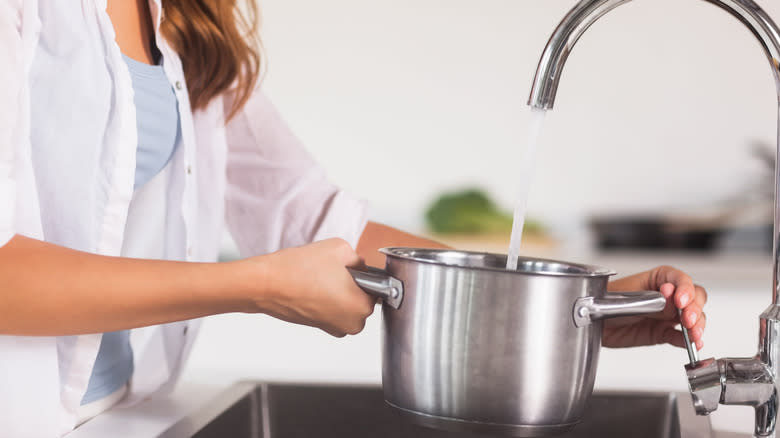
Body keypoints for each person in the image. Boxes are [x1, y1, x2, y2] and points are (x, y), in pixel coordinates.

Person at [1, 1, 707, 436]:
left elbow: (313, 217)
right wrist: (251, 287)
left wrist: (574, 310)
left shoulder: (188, 20)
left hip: (124, 418)